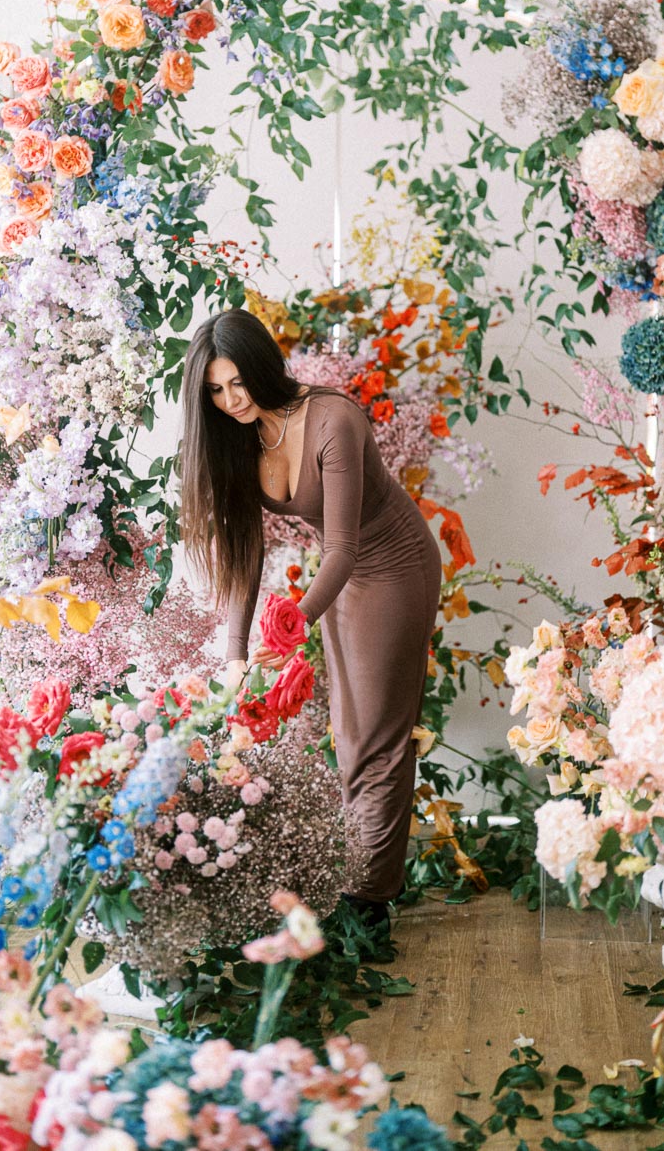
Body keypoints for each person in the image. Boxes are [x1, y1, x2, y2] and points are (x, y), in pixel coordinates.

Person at [180, 308, 442, 925]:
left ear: (264, 368)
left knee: (378, 734)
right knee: (350, 733)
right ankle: (362, 872)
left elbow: (344, 549)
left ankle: (370, 899)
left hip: (394, 564)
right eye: (215, 391)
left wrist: (290, 626)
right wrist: (237, 655)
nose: (231, 400)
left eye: (238, 383)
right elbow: (245, 552)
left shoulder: (333, 419)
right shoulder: (238, 435)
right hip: (341, 579)